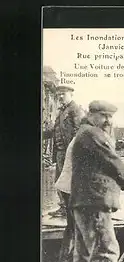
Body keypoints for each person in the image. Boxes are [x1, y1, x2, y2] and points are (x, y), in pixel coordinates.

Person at [70, 100, 124, 262]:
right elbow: (113, 162)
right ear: (90, 115)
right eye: (103, 116)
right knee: (106, 253)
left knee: (83, 255)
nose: (108, 121)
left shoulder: (85, 132)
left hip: (84, 202)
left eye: (110, 117)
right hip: (94, 201)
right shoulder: (92, 134)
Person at [45, 85, 84, 217]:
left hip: (70, 151)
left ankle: (70, 208)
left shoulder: (75, 110)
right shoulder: (62, 111)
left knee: (68, 180)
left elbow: (79, 131)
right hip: (60, 152)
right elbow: (54, 130)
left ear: (71, 95)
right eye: (59, 94)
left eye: (64, 94)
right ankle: (64, 207)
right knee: (59, 179)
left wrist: (74, 151)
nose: (61, 96)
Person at [53, 136, 77, 262]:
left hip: (66, 186)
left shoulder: (77, 138)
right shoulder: (84, 139)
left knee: (71, 226)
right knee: (77, 226)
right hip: (72, 188)